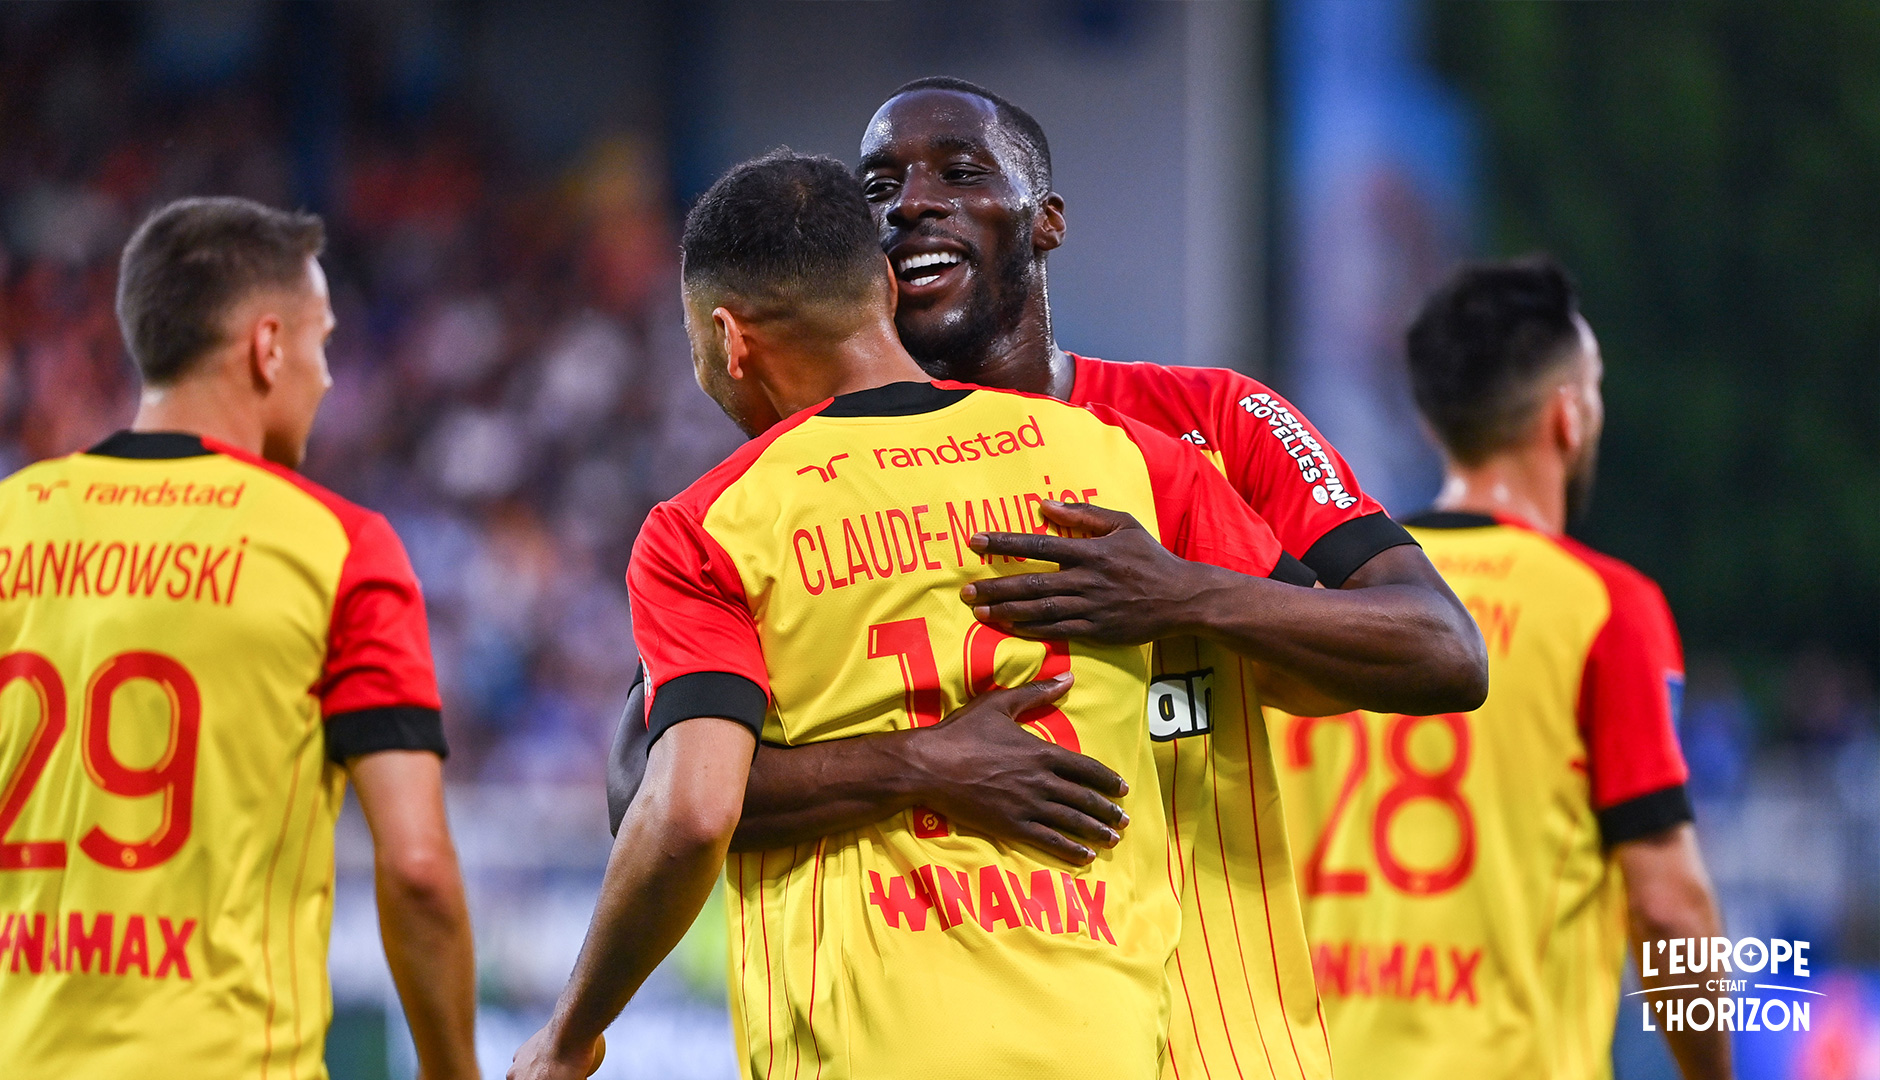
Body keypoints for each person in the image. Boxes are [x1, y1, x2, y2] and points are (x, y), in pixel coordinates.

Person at [609, 77, 1487, 1080]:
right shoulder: (784, 501)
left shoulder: (1205, 428)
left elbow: (1441, 650)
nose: (911, 202)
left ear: (1048, 222)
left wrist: (1181, 595)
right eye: (880, 186)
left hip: (1221, 1034)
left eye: (959, 171)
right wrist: (923, 762)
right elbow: (654, 792)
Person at [513, 151, 1310, 1080]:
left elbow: (687, 810)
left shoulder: (710, 525)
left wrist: (568, 1038)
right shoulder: (1121, 457)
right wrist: (1180, 592)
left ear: (728, 339)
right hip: (1108, 1038)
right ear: (885, 289)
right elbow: (1316, 650)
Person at [0, 197, 479, 1079]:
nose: (325, 377)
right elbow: (419, 867)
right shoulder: (337, 547)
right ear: (267, 346)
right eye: (322, 344)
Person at [1267, 256, 1730, 1079]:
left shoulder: (1319, 595)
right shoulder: (1604, 607)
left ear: (1433, 420)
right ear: (1569, 414)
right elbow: (1668, 905)